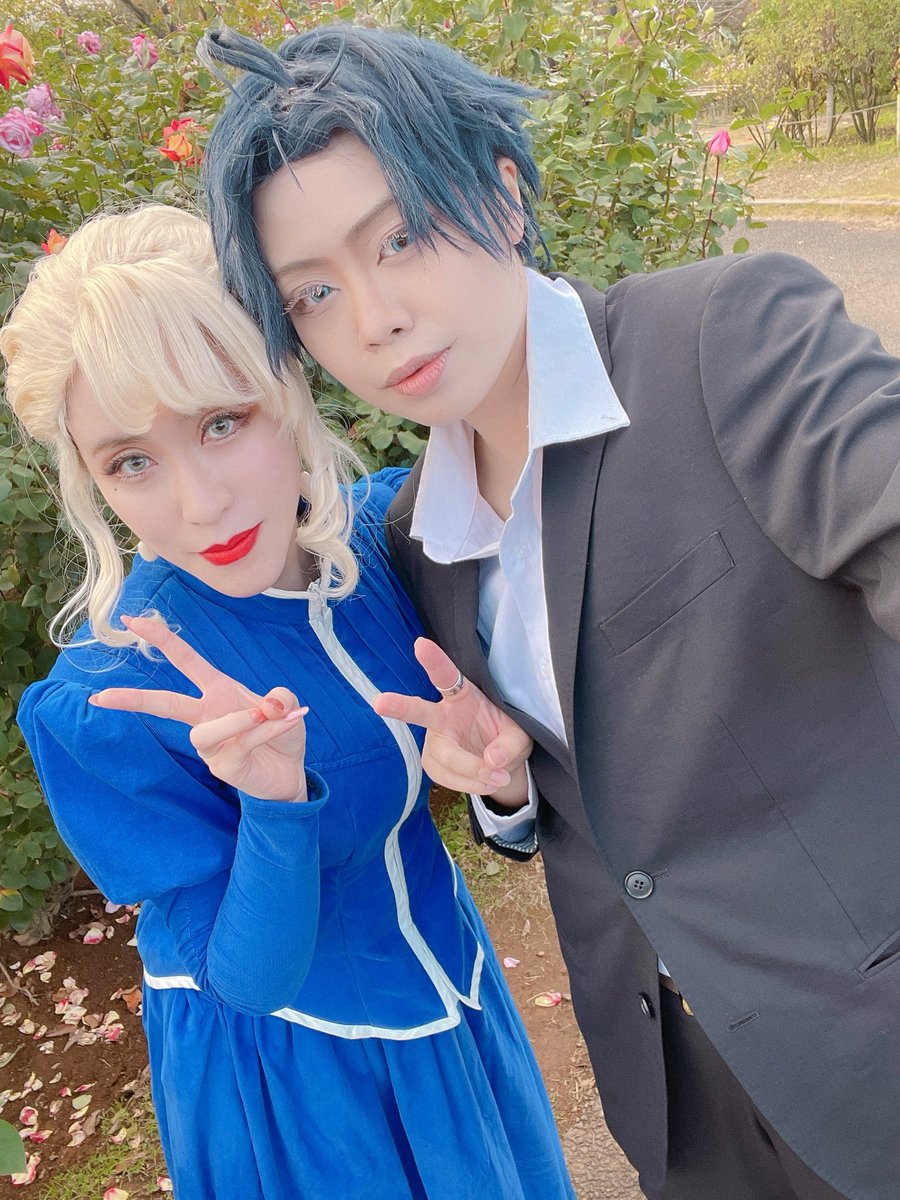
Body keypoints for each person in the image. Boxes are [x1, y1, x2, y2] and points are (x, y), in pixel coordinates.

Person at [199, 22, 900, 1200]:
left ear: (503, 193)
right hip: (681, 1107)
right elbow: (592, 811)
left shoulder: (721, 340)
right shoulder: (423, 535)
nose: (372, 318)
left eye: (400, 238)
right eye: (313, 293)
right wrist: (507, 793)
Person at [0, 204, 577, 1200]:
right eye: (131, 461)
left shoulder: (392, 544)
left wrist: (500, 784)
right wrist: (273, 805)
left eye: (221, 423)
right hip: (300, 1085)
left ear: (287, 385)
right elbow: (249, 983)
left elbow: (503, 813)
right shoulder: (116, 700)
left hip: (455, 994)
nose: (201, 503)